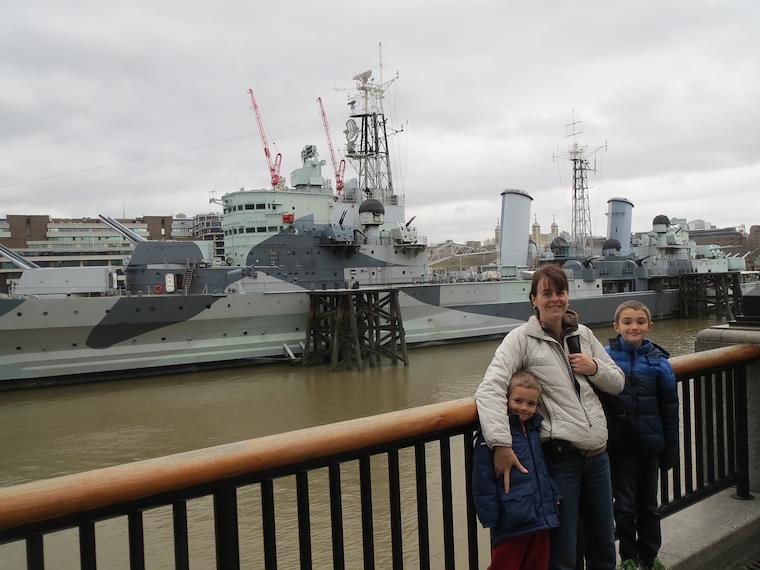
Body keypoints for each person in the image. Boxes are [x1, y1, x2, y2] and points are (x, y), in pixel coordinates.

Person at [475, 264, 624, 570]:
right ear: (534, 299)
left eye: (560, 292)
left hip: (598, 457)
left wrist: (594, 367)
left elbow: (618, 381)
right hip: (561, 460)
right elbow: (490, 388)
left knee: (604, 547)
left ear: (568, 295)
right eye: (547, 293)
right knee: (563, 555)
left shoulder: (584, 335)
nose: (555, 299)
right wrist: (501, 444)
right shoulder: (520, 339)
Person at [604, 301, 679, 570]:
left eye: (639, 321)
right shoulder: (605, 358)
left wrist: (670, 451)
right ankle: (628, 557)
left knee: (649, 505)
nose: (633, 327)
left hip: (650, 446)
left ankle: (650, 555)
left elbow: (670, 411)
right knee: (624, 506)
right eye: (627, 322)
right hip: (620, 447)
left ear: (649, 325)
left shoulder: (660, 363)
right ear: (616, 326)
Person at [472, 371, 562, 569]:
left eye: (531, 403)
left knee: (538, 564)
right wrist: (491, 516)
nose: (524, 408)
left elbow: (541, 469)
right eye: (518, 401)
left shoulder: (533, 431)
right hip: (511, 518)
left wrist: (553, 494)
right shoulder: (493, 435)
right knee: (505, 564)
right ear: (506, 399)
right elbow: (482, 479)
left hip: (539, 515)